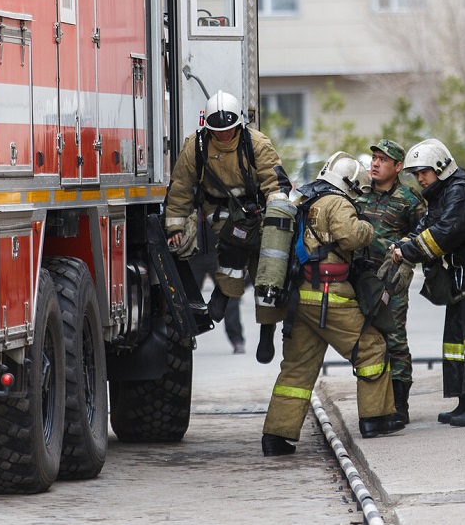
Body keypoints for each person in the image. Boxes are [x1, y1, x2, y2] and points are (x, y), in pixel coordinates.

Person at [261, 152, 404, 456]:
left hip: (301, 300)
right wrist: (367, 227)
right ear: (351, 183)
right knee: (372, 347)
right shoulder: (338, 202)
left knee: (297, 369)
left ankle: (276, 435)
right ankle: (374, 419)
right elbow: (351, 236)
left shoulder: (308, 200)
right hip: (330, 295)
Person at [390, 139, 465, 427]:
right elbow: (426, 227)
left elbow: (446, 232)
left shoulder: (461, 191)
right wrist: (402, 243)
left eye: (424, 172)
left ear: (440, 168)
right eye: (416, 174)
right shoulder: (443, 192)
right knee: (457, 342)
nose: (420, 179)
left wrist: (408, 252)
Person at [165, 90, 292, 333]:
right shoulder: (196, 147)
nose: (224, 135)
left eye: (229, 129)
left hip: (257, 210)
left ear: (239, 124)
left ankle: (267, 329)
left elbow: (275, 181)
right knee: (235, 238)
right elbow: (180, 187)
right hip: (219, 209)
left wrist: (276, 214)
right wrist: (175, 226)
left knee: (266, 263)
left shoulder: (256, 144)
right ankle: (224, 292)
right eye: (218, 131)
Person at [356, 139, 426, 424]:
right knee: (367, 340)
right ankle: (376, 403)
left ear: (397, 167)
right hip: (361, 279)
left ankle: (400, 406)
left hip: (391, 281)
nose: (375, 163)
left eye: (383, 160)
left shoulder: (410, 200)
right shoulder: (358, 194)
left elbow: (424, 237)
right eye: (374, 158)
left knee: (394, 339)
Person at [187, 215, 246, 353]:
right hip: (194, 254)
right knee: (187, 300)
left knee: (229, 296)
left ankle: (237, 340)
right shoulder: (191, 195)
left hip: (217, 252)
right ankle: (185, 339)